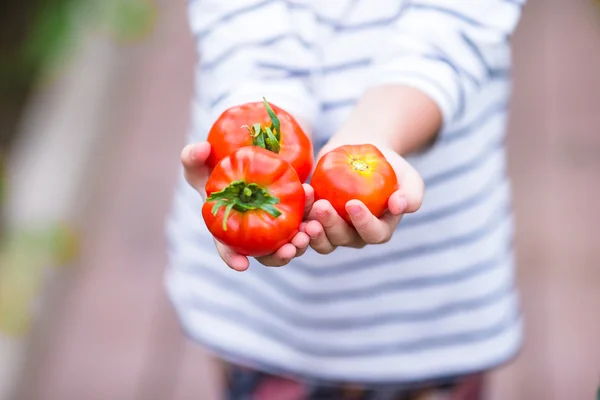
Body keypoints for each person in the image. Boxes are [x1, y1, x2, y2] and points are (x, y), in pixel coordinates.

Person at [165, 0, 525, 398]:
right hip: (261, 310)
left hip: (429, 305)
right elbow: (240, 22)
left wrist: (374, 136)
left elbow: (454, 27)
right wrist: (270, 129)